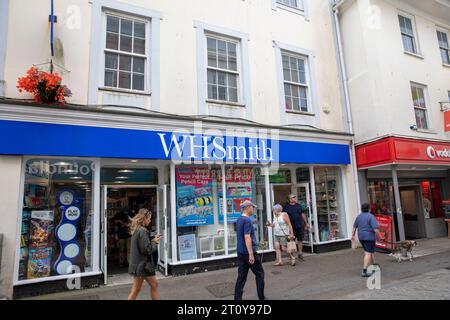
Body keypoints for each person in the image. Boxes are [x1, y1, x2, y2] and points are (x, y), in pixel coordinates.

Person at [234, 200, 266, 301]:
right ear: (247, 207)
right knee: (260, 274)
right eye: (252, 207)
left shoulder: (239, 219)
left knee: (241, 278)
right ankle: (261, 297)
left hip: (241, 252)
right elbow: (247, 237)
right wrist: (251, 254)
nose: (253, 209)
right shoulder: (247, 220)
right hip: (248, 253)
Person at [128, 208, 162, 300]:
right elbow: (146, 250)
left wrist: (151, 239)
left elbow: (142, 244)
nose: (150, 221)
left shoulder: (138, 229)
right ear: (144, 218)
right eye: (149, 218)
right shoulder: (142, 231)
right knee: (135, 290)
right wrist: (155, 242)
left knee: (154, 285)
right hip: (142, 266)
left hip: (142, 265)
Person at [352, 203, 381, 278]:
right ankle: (364, 271)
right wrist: (380, 236)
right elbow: (375, 228)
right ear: (369, 209)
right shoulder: (371, 216)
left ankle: (374, 265)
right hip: (369, 237)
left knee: (369, 251)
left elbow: (354, 227)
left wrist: (353, 236)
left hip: (361, 237)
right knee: (368, 253)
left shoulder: (359, 217)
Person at [283, 194, 310, 260]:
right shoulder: (286, 207)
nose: (294, 198)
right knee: (291, 241)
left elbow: (302, 214)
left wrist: (306, 223)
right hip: (291, 227)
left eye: (294, 197)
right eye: (292, 197)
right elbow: (284, 216)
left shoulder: (298, 206)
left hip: (299, 225)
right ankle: (292, 255)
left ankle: (300, 253)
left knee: (300, 240)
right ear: (289, 199)